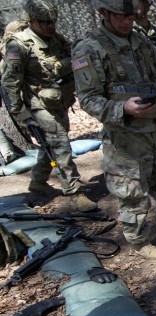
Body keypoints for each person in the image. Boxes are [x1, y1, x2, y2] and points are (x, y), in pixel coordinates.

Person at [71, 0, 156, 262]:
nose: (127, 21)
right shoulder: (90, 48)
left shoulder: (141, 41)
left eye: (131, 15)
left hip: (155, 131)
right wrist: (123, 108)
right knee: (133, 194)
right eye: (120, 16)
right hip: (124, 138)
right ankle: (139, 242)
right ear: (104, 13)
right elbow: (88, 99)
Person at [0, 0, 97, 211]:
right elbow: (10, 85)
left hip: (58, 101)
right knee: (60, 144)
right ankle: (74, 191)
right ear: (31, 20)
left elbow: (71, 56)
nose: (50, 26)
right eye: (44, 22)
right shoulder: (19, 45)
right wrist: (21, 115)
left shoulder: (55, 38)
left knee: (50, 145)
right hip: (37, 105)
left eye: (53, 21)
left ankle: (38, 183)